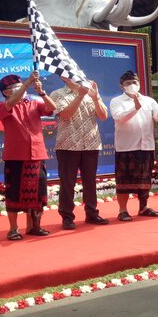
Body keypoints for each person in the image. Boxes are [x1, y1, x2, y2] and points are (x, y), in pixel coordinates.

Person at [0, 71, 56, 240]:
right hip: (15, 155)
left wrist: (42, 92)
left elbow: (52, 108)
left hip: (37, 154)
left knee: (38, 192)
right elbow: (12, 103)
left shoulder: (34, 103)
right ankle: (13, 228)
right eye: (14, 88)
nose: (19, 89)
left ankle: (34, 226)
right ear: (6, 92)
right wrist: (28, 82)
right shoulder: (1, 105)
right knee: (13, 192)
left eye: (19, 86)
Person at [109, 70, 158, 221]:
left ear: (139, 83)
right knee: (124, 180)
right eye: (128, 83)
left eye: (134, 82)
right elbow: (119, 118)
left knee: (145, 179)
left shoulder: (149, 101)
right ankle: (123, 210)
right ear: (122, 86)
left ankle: (143, 207)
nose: (132, 85)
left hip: (146, 145)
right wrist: (135, 107)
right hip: (126, 147)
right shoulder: (116, 101)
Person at [50, 76, 109, 229]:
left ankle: (92, 213)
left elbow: (103, 117)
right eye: (71, 75)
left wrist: (95, 98)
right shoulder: (57, 94)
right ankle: (67, 217)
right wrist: (80, 95)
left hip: (91, 143)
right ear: (64, 78)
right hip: (67, 145)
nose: (76, 78)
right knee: (68, 182)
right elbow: (65, 115)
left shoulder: (91, 92)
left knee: (90, 181)